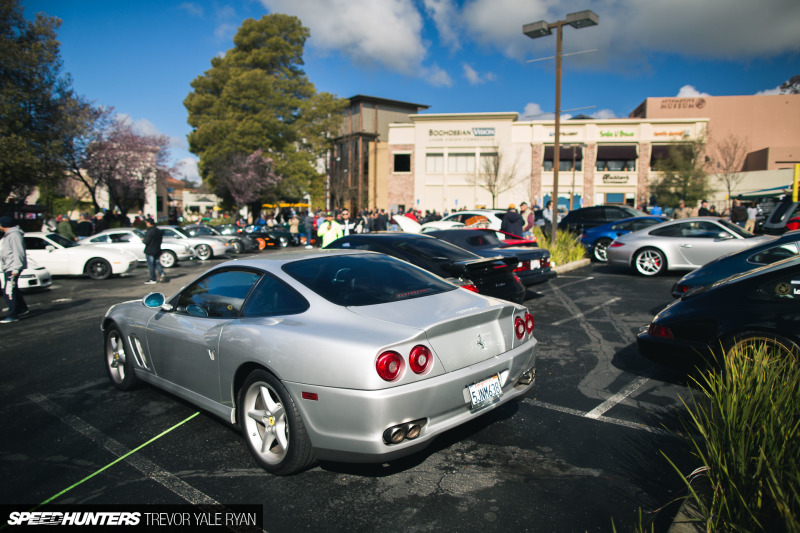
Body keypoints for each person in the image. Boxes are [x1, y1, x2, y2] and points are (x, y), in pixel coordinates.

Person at [0, 216, 29, 323]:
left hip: (12, 267)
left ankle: (13, 315)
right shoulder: (9, 235)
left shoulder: (14, 236)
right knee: (13, 288)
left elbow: (18, 252)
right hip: (9, 265)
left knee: (8, 291)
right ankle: (22, 308)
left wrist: (16, 268)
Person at [142, 218, 166, 284]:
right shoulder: (158, 231)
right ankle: (162, 273)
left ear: (149, 223)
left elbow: (146, 241)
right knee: (157, 263)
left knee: (151, 265)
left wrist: (143, 239)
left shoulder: (149, 231)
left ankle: (153, 279)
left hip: (150, 250)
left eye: (146, 223)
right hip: (157, 249)